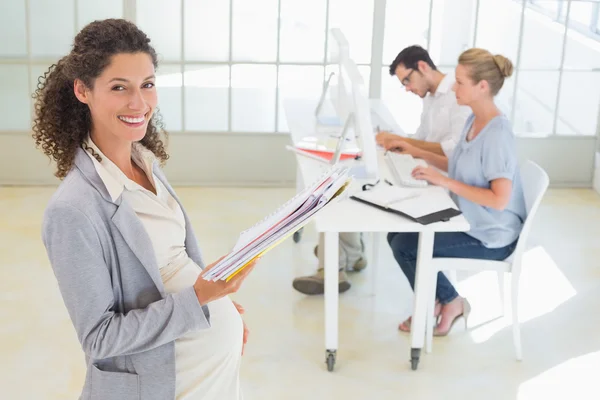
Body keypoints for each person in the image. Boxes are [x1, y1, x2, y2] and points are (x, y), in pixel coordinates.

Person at [34, 19, 255, 400]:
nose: (139, 103)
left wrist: (220, 307)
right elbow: (100, 338)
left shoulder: (146, 162)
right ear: (83, 90)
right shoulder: (73, 210)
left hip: (208, 372)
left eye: (147, 85)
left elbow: (171, 263)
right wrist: (199, 299)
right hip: (166, 384)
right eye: (120, 88)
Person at [292, 45, 471, 296]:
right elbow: (421, 138)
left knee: (368, 199)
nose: (407, 88)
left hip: (443, 183)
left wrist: (408, 145)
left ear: (422, 66)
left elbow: (454, 150)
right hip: (425, 171)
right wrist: (399, 142)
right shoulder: (431, 98)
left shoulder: (457, 96)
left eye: (407, 80)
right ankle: (347, 253)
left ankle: (338, 261)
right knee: (354, 186)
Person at [387, 48, 527, 336]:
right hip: (469, 219)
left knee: (406, 246)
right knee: (395, 233)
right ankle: (440, 299)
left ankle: (449, 302)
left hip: (490, 235)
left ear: (482, 87)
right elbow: (457, 163)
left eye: (460, 81)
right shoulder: (473, 120)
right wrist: (415, 152)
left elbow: (499, 199)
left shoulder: (497, 134)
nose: (453, 86)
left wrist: (445, 182)